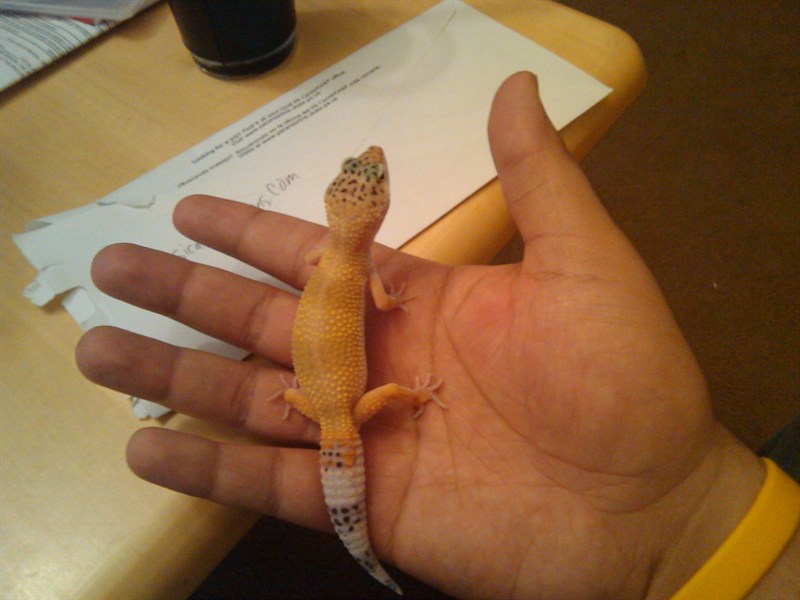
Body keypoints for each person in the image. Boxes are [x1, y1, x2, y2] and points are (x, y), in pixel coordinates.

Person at [75, 72, 798, 598]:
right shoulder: (361, 271)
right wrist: (413, 387)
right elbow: (383, 303)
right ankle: (372, 525)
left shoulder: (329, 259)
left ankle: (361, 542)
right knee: (394, 394)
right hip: (331, 404)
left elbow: (361, 298)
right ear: (371, 213)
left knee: (317, 400)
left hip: (315, 398)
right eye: (364, 176)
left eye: (369, 176)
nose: (372, 166)